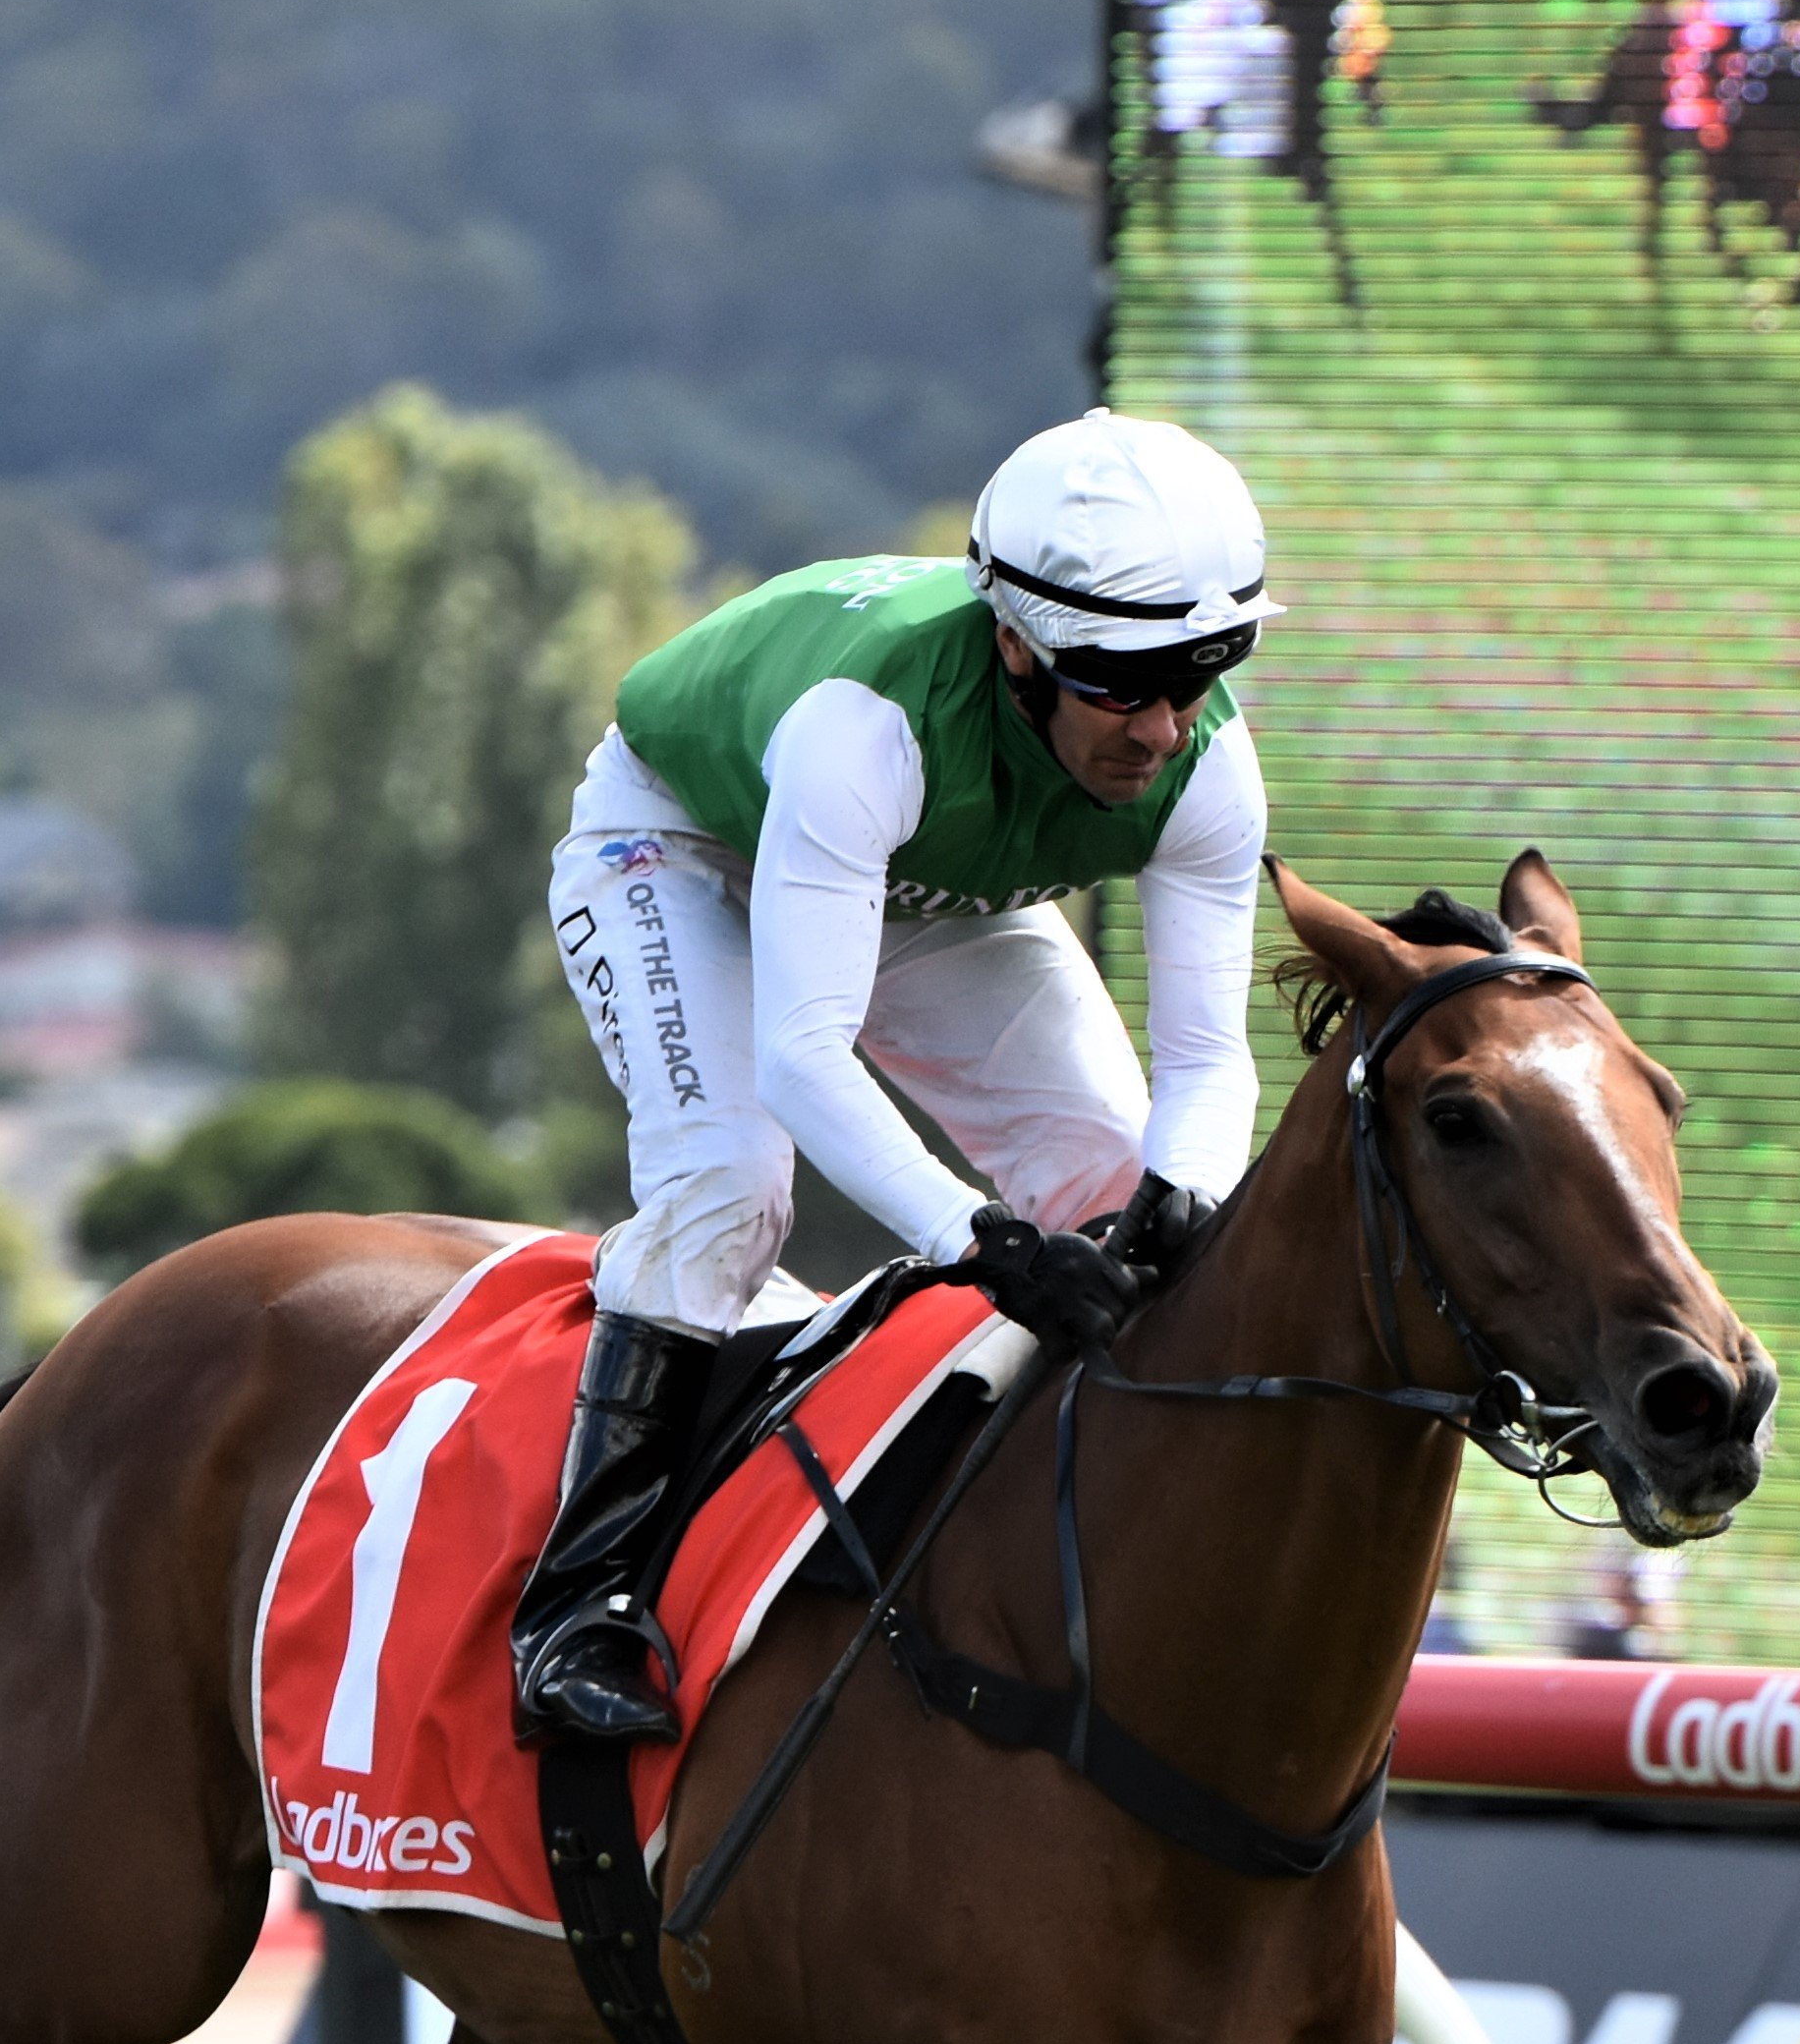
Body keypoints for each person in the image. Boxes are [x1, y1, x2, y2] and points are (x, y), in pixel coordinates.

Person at [513, 411, 1282, 1744]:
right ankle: (576, 1607)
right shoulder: (864, 724)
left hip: (926, 882)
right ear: (1015, 647)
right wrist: (972, 1241)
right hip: (692, 840)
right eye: (1118, 681)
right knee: (729, 1188)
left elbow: (1210, 1067)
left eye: (1203, 667)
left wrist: (1175, 1192)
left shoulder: (1207, 765)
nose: (1160, 727)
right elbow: (800, 1060)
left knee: (1113, 1176)